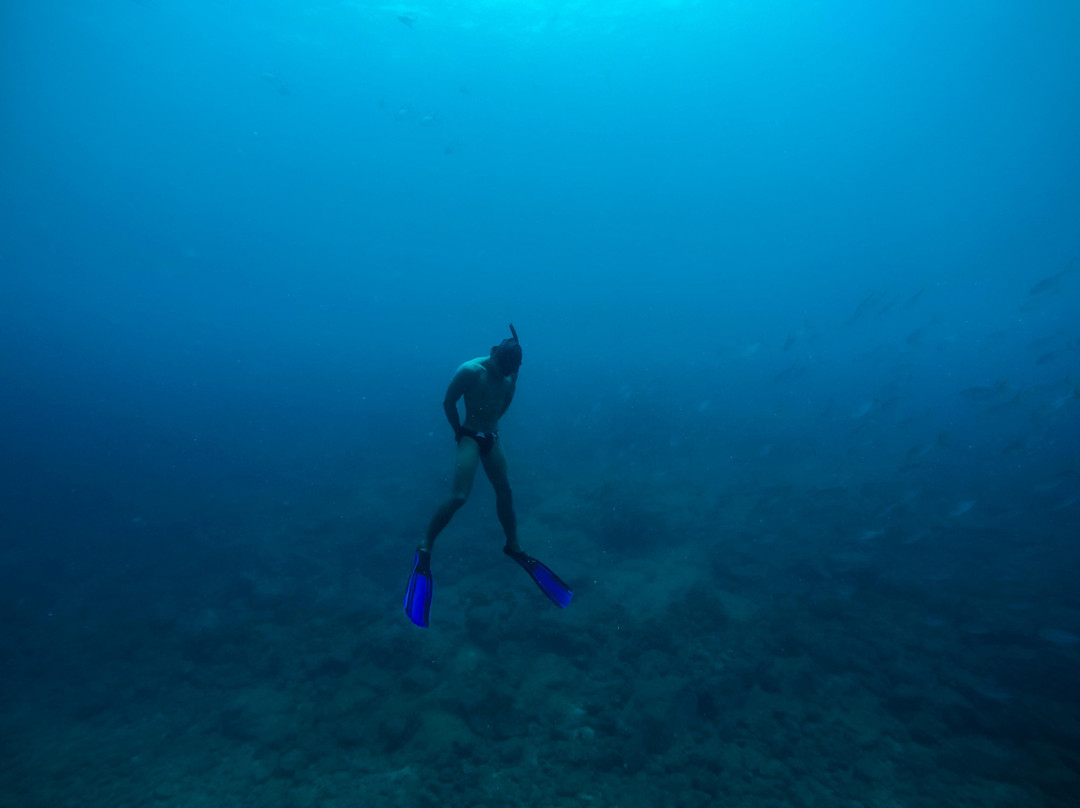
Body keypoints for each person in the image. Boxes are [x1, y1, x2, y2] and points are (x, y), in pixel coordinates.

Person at [404, 324, 572, 627]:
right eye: (502, 367)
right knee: (459, 496)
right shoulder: (471, 370)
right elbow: (448, 402)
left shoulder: (511, 372)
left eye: (509, 370)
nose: (503, 374)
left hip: (491, 436)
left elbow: (506, 398)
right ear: (494, 355)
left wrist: (493, 424)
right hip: (470, 434)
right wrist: (459, 432)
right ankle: (425, 545)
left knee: (505, 491)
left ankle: (513, 545)